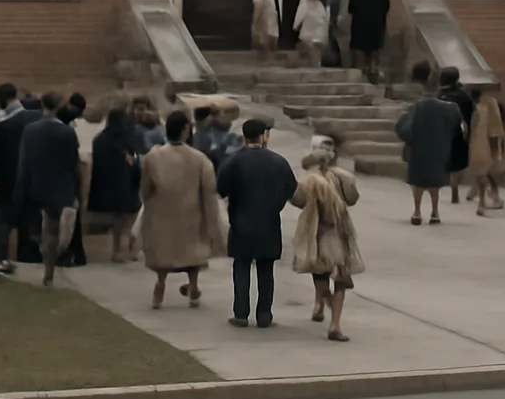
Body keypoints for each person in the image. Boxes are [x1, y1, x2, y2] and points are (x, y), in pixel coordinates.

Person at [217, 119, 299, 329]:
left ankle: (241, 313)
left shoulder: (233, 161)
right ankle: (264, 313)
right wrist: (276, 204)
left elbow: (221, 188)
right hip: (269, 222)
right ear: (263, 136)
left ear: (244, 137)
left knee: (241, 267)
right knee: (265, 270)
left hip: (241, 221)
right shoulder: (279, 162)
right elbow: (291, 189)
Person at [140, 110, 224, 310]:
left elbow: (145, 189)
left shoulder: (153, 157)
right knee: (191, 251)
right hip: (191, 212)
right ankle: (193, 286)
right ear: (186, 130)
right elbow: (210, 189)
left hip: (162, 213)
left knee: (163, 250)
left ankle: (160, 285)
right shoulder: (199, 159)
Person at [291, 142, 365, 343]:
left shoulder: (308, 181)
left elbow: (296, 200)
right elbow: (353, 198)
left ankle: (321, 302)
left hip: (317, 232)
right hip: (339, 231)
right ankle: (335, 324)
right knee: (341, 277)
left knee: (319, 271)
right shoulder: (343, 178)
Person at [12, 90, 81, 286]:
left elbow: (24, 162)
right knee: (53, 230)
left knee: (40, 229)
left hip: (35, 184)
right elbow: (72, 164)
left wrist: (22, 186)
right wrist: (75, 189)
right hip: (58, 187)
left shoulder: (30, 130)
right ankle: (48, 270)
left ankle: (42, 253)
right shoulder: (67, 132)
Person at [395, 61, 462, 225]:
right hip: (440, 147)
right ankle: (435, 212)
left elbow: (403, 128)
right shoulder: (451, 108)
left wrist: (410, 139)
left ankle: (417, 212)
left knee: (419, 181)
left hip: (419, 147)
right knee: (435, 181)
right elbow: (457, 127)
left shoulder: (416, 107)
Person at [0, 83, 40, 276]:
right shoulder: (33, 120)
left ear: (2, 97)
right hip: (26, 180)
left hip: (4, 180)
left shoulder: (3, 125)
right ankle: (2, 259)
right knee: (12, 223)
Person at [88, 107, 142, 263]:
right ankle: (122, 249)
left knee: (113, 218)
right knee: (124, 219)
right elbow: (132, 162)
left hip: (103, 184)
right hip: (122, 184)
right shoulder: (125, 139)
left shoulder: (98, 140)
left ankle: (115, 248)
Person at [56, 100, 89, 269]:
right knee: (72, 222)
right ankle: (77, 254)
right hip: (69, 182)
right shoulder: (68, 133)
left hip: (60, 182)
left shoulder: (59, 132)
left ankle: (67, 254)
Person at [347, 0, 391, 85]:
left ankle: (360, 81)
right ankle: (373, 76)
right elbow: (386, 8)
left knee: (359, 61)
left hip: (359, 31)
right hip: (376, 30)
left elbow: (351, 10)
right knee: (373, 57)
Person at [437, 68, 474, 204]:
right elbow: (471, 114)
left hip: (443, 133)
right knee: (458, 165)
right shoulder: (463, 96)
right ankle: (455, 189)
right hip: (460, 133)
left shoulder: (439, 96)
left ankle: (452, 188)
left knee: (449, 162)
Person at [468, 86, 505, 216]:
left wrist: (495, 150)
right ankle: (487, 196)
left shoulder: (489, 105)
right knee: (483, 171)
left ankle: (484, 200)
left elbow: (495, 128)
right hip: (476, 142)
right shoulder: (475, 105)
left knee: (484, 172)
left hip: (484, 143)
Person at [191, 106, 243, 172]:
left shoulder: (198, 134)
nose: (227, 117)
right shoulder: (207, 135)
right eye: (222, 113)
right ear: (209, 118)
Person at [294, 0, 330, 67]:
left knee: (316, 55)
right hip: (307, 34)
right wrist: (296, 26)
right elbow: (300, 15)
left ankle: (316, 67)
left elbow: (325, 18)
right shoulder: (305, 2)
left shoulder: (321, 5)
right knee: (310, 55)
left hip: (318, 34)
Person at [320, 0, 349, 67]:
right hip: (324, 12)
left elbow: (336, 0)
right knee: (327, 38)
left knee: (333, 37)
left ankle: (334, 60)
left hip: (333, 14)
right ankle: (328, 59)